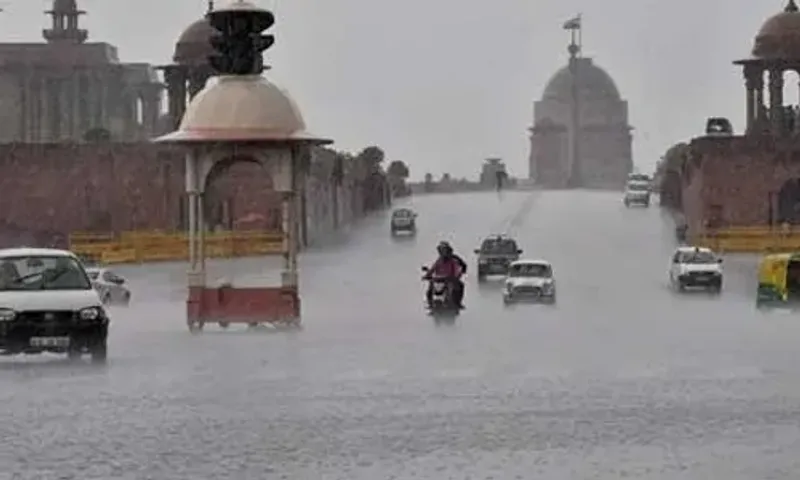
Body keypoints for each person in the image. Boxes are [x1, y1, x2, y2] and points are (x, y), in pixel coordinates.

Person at [424, 241, 467, 308]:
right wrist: (426, 275)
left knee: (461, 286)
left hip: (449, 280)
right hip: (437, 279)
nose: (443, 252)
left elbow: (456, 270)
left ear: (448, 250)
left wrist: (456, 276)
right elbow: (433, 268)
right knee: (429, 289)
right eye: (441, 250)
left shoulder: (453, 260)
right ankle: (429, 303)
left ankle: (458, 303)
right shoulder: (439, 260)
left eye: (444, 250)